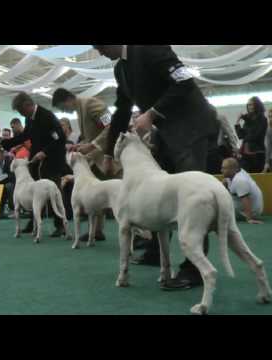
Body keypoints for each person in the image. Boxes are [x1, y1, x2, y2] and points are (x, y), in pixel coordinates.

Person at [92, 45, 219, 291]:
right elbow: (121, 111)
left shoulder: (150, 47)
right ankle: (155, 254)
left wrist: (152, 113)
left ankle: (194, 269)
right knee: (159, 194)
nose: (99, 52)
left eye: (99, 46)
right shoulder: (120, 69)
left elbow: (185, 82)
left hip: (191, 128)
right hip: (165, 134)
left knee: (191, 197)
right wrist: (108, 152)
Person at [53, 88, 120, 241]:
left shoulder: (91, 104)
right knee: (95, 198)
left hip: (111, 155)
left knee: (126, 195)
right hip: (97, 159)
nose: (65, 111)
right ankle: (96, 231)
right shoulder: (79, 110)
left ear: (68, 99)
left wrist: (92, 145)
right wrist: (79, 145)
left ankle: (145, 235)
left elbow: (111, 126)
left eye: (63, 107)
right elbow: (92, 135)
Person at [1, 92, 67, 237]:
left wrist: (45, 152)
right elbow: (26, 135)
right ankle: (34, 224)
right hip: (36, 161)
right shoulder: (29, 118)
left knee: (54, 192)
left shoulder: (47, 116)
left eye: (21, 111)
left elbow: (60, 137)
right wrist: (6, 143)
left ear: (28, 105)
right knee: (36, 193)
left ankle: (61, 225)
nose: (21, 114)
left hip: (52, 160)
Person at [221, 158, 264, 224]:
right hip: (246, 208)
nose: (221, 170)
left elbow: (246, 199)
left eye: (224, 168)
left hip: (252, 212)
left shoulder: (240, 180)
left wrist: (249, 219)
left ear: (233, 169)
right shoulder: (235, 173)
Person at [235, 97, 268, 173]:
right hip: (245, 153)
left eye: (252, 105)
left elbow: (256, 135)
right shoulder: (247, 121)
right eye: (249, 105)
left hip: (257, 153)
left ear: (257, 106)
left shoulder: (262, 119)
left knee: (256, 174)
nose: (250, 107)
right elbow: (240, 136)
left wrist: (246, 138)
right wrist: (237, 122)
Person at [0, 148, 15, 218]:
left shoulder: (9, 163)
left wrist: (0, 178)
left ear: (2, 156)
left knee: (9, 186)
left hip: (10, 184)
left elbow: (12, 175)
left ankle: (13, 209)